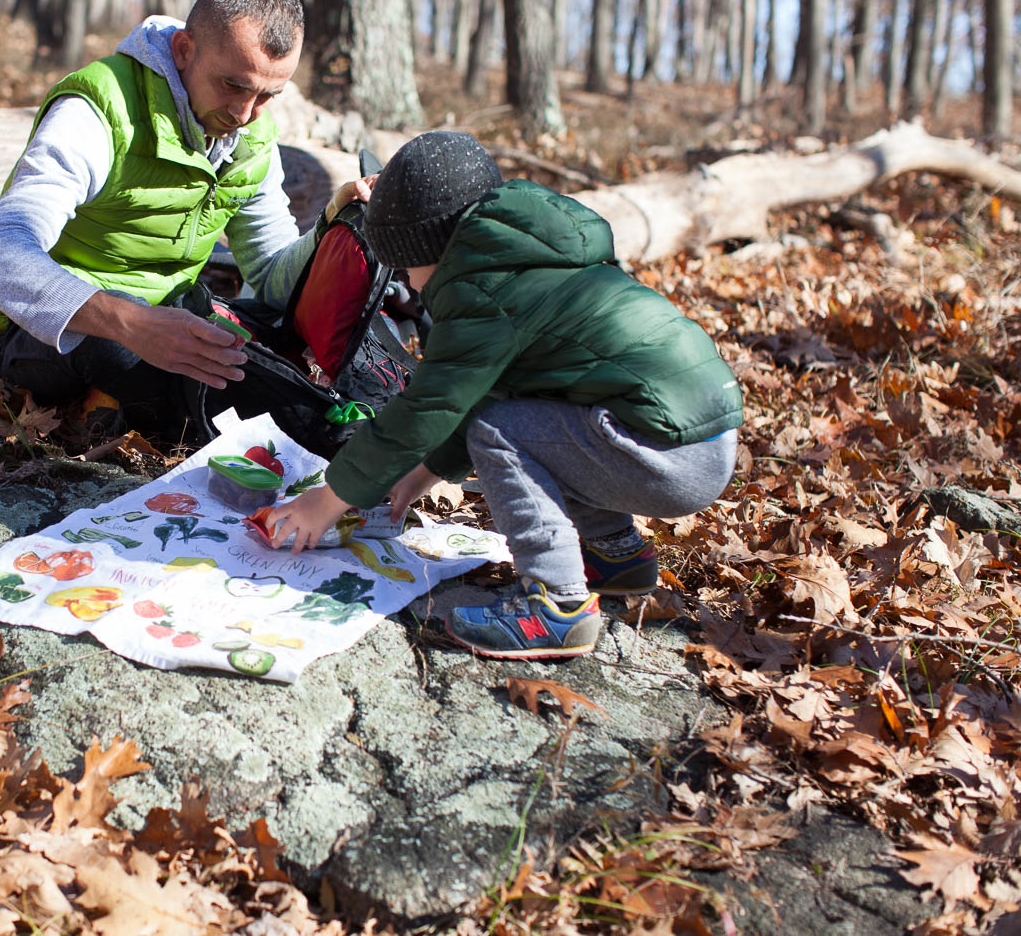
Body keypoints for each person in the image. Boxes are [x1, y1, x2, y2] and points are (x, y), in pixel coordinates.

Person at [262, 131, 743, 660]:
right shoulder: (525, 257)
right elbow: (488, 395)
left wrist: (327, 501)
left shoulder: (478, 290)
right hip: (695, 433)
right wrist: (419, 477)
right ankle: (616, 556)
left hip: (668, 455)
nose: (407, 282)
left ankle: (557, 606)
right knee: (535, 420)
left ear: (426, 246)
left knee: (504, 433)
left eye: (404, 266)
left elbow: (427, 410)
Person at [0, 0, 370, 438]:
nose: (244, 115)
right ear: (183, 50)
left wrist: (329, 222)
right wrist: (130, 322)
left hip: (165, 321)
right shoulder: (101, 108)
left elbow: (272, 277)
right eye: (232, 85)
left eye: (267, 95)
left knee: (267, 333)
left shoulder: (251, 137)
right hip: (37, 334)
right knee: (120, 350)